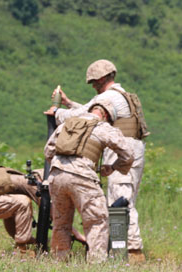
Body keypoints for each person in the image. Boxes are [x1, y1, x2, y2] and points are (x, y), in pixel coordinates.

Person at [49, 59, 149, 262]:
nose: (93, 86)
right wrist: (69, 104)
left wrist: (58, 112)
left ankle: (131, 251)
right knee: (118, 201)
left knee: (120, 200)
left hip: (121, 147)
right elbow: (92, 114)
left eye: (94, 82)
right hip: (128, 148)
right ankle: (119, 250)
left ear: (102, 78)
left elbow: (84, 116)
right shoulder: (119, 96)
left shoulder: (109, 97)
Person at [44, 99, 133, 263]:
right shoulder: (103, 127)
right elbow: (128, 154)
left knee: (61, 223)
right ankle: (96, 264)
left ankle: (58, 262)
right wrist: (113, 167)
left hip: (56, 176)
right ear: (106, 115)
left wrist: (61, 168)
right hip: (83, 177)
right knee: (97, 221)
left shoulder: (67, 124)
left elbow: (48, 150)